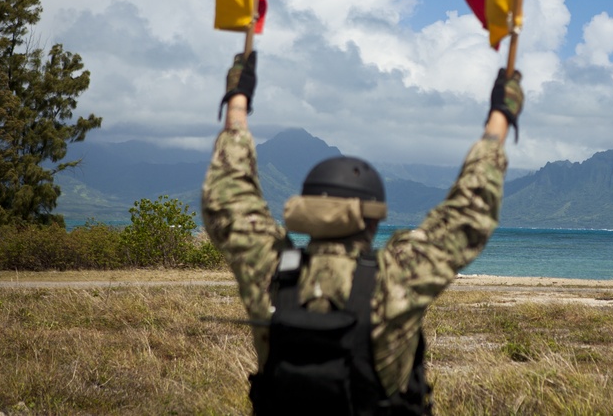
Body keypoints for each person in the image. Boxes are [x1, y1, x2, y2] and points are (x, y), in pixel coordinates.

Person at [201, 51, 524, 415]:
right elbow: (470, 209)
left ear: (307, 209)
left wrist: (237, 99)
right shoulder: (395, 276)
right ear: (372, 221)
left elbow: (228, 195)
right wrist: (502, 112)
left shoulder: (272, 270)